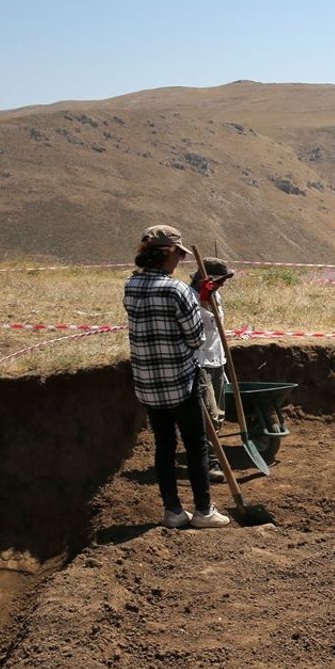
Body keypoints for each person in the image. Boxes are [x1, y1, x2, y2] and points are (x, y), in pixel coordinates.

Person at [123, 225, 231, 528]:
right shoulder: (177, 290)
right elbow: (196, 338)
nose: (179, 261)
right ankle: (203, 511)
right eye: (178, 255)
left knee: (164, 445)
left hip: (147, 383)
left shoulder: (130, 286)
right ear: (166, 253)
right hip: (180, 382)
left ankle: (172, 512)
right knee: (195, 444)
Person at [191, 257, 235, 482]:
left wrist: (210, 298)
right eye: (221, 280)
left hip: (217, 359)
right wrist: (203, 300)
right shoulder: (189, 297)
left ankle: (210, 457)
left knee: (218, 414)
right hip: (199, 361)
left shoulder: (216, 294)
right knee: (207, 414)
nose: (223, 284)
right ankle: (209, 463)